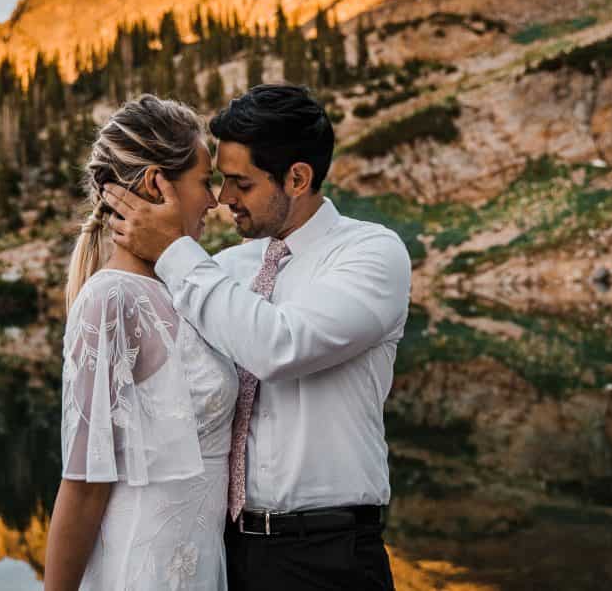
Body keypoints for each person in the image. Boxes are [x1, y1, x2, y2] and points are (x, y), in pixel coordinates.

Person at [102, 84, 412, 590]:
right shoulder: (222, 270)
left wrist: (176, 252)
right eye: (221, 180)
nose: (223, 200)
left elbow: (278, 347)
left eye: (240, 183)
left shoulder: (371, 254)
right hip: (224, 551)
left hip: (327, 558)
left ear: (297, 177)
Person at [44, 95, 237, 591]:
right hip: (145, 566)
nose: (214, 201)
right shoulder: (112, 299)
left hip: (202, 559)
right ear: (157, 184)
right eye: (203, 182)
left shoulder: (181, 286)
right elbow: (83, 485)